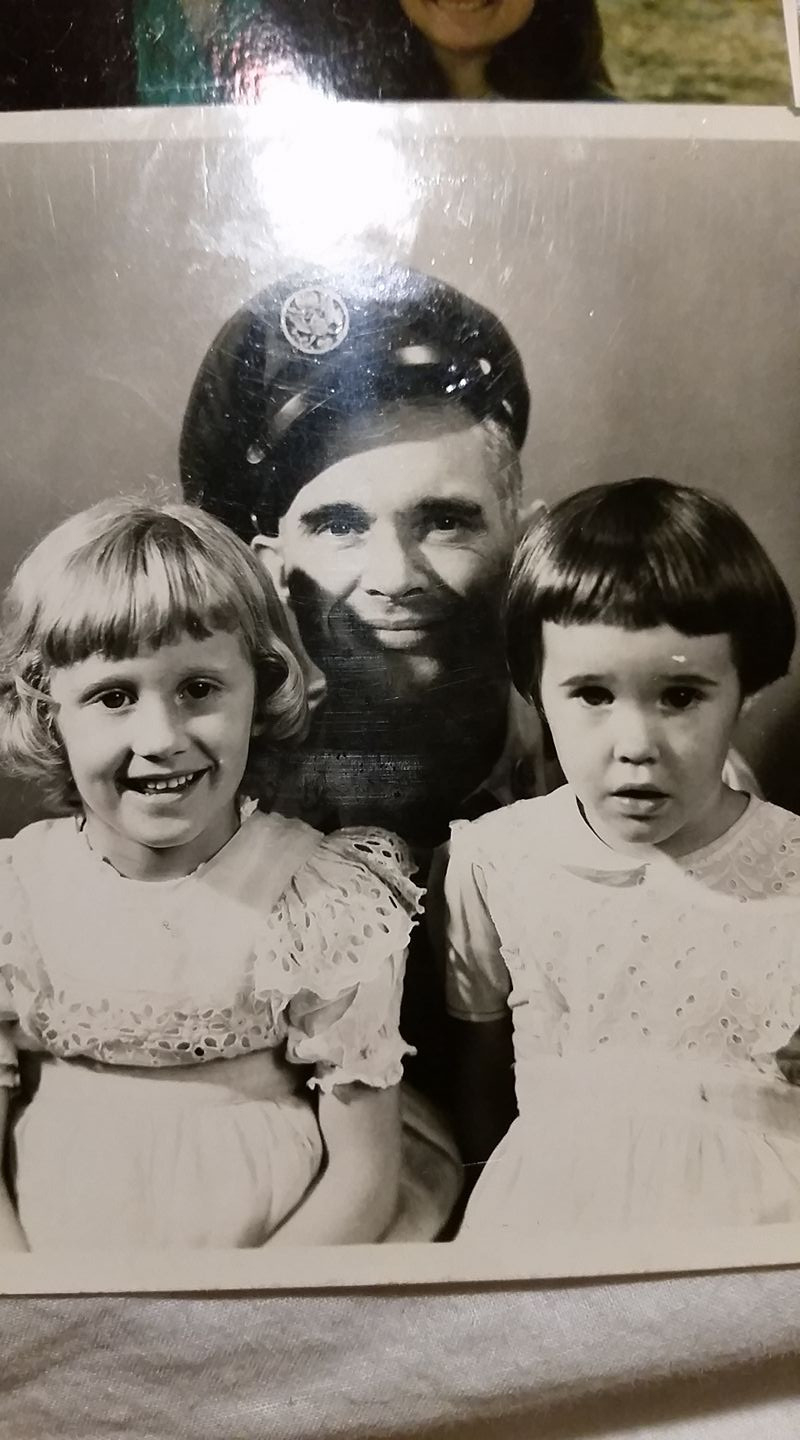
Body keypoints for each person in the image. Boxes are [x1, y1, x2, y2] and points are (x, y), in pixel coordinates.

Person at [0, 497, 425, 1252]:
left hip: (270, 1292)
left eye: (199, 689)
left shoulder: (318, 898)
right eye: (113, 697)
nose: (160, 738)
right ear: (46, 711)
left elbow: (365, 1178)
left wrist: (245, 1330)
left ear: (259, 689)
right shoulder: (18, 895)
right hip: (53, 1297)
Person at [436, 476, 800, 1239]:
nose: (635, 746)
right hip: (547, 1230)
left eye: (680, 696)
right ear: (536, 688)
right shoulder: (495, 861)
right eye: (593, 694)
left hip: (761, 1239)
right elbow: (479, 1070)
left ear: (746, 691)